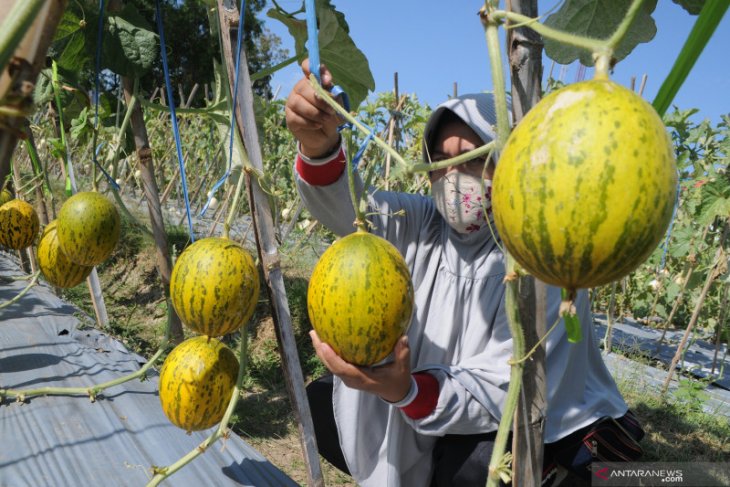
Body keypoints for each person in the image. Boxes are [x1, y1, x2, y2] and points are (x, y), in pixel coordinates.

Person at [286, 60, 644, 487]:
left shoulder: (540, 259)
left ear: (512, 164)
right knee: (325, 407)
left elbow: (502, 389)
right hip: (432, 399)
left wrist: (405, 391)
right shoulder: (418, 221)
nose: (453, 177)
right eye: (440, 161)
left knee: (474, 468)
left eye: (472, 160)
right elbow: (352, 210)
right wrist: (319, 147)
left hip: (539, 422)